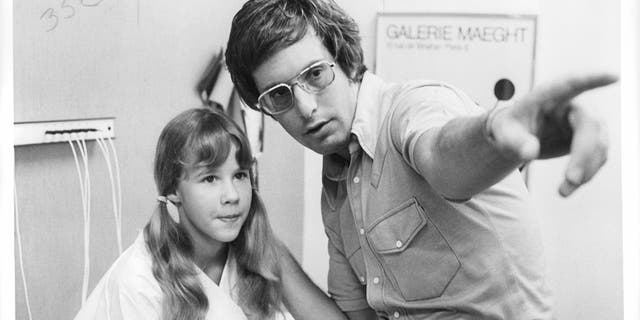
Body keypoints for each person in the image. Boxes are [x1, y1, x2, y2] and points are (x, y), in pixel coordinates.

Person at [224, 0, 618, 319]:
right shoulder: (337, 191)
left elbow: (443, 158)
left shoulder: (413, 107)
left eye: (314, 75)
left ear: (344, 61)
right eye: (279, 95)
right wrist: (266, 245)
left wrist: (497, 133)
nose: (306, 108)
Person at [74, 108, 347, 320]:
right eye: (210, 179)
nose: (232, 195)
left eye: (239, 175)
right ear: (173, 191)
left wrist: (274, 253)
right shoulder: (138, 280)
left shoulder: (256, 255)